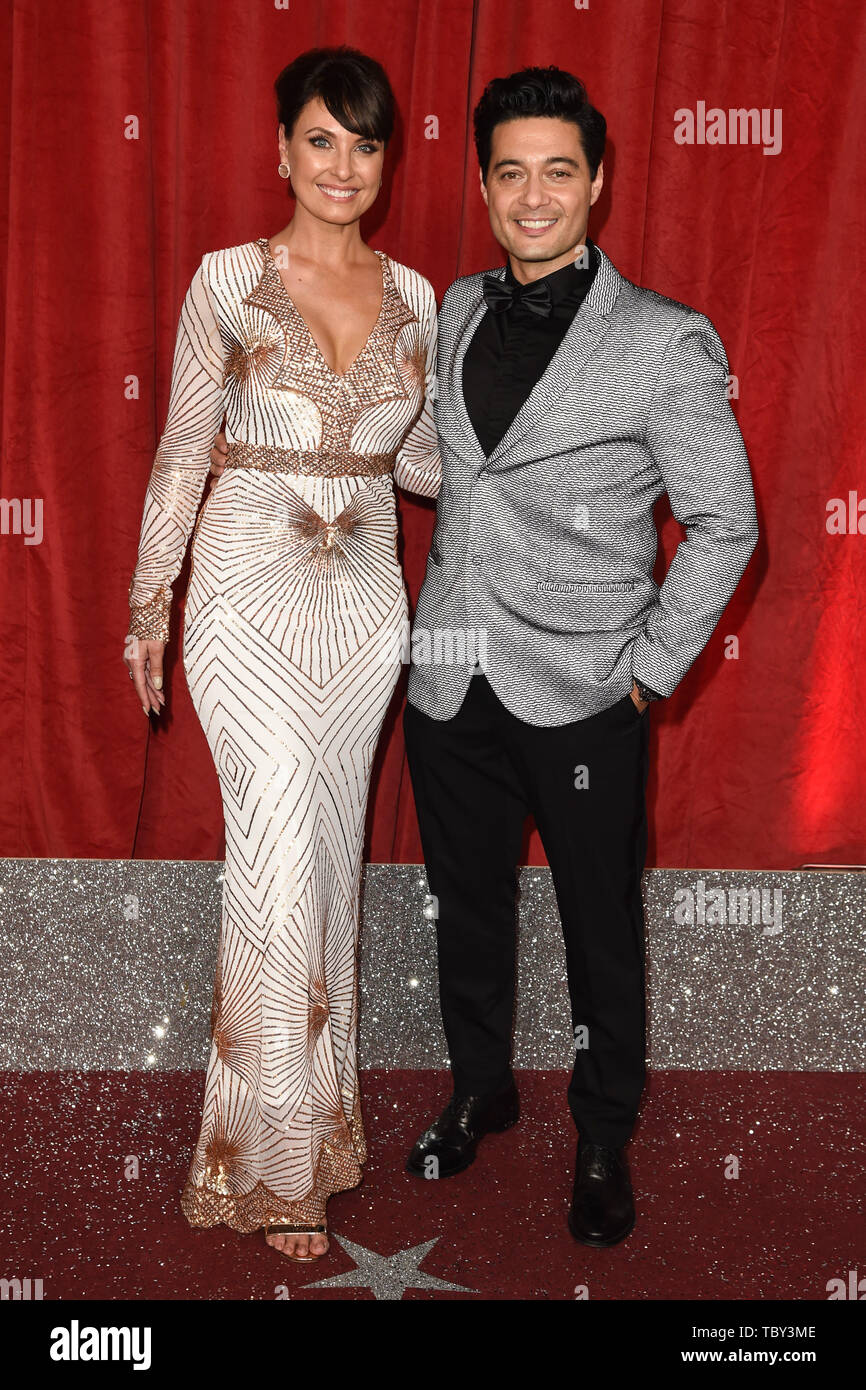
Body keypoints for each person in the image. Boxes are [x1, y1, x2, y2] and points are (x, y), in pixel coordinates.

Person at [401, 66, 759, 1246]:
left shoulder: (665, 341)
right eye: (510, 171)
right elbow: (455, 475)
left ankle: (603, 1130)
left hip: (585, 684)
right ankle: (478, 1087)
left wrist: (649, 666)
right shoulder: (454, 307)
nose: (533, 194)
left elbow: (726, 521)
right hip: (448, 670)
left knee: (598, 921)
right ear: (488, 185)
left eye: (558, 170)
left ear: (595, 185)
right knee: (465, 905)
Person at [124, 45, 440, 1262]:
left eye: (363, 145)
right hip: (244, 594)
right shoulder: (225, 280)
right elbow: (179, 447)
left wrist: (514, 473)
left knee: (327, 853)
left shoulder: (418, 297)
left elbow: (412, 463)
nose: (342, 166)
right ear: (280, 150)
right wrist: (150, 602)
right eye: (320, 140)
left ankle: (318, 1129)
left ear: (383, 160)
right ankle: (266, 1168)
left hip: (364, 607)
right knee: (270, 855)